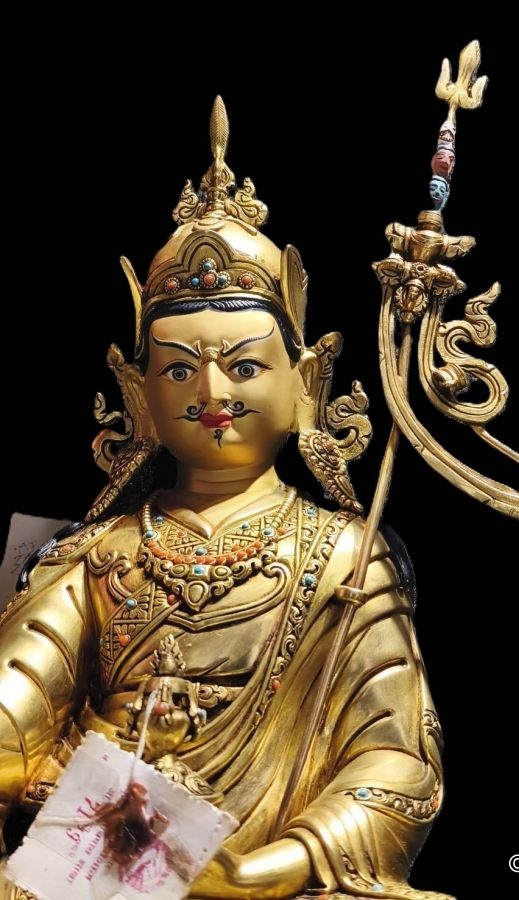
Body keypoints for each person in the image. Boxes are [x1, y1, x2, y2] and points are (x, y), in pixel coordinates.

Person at [0, 98, 449, 900]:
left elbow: (398, 764)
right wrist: (37, 768)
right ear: (137, 395)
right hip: (94, 872)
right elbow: (11, 712)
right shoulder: (96, 556)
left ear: (306, 383)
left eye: (243, 366)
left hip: (261, 876)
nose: (210, 391)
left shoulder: (345, 559)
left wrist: (257, 873)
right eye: (178, 369)